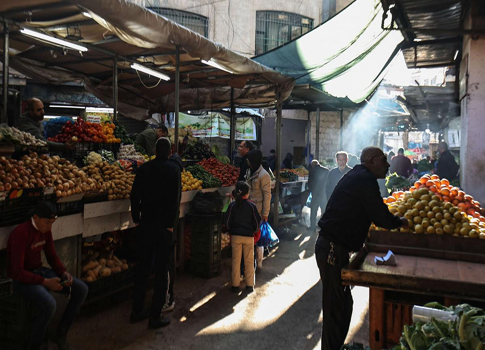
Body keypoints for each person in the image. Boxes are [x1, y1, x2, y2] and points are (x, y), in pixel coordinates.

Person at [315, 147, 407, 350]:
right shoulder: (364, 179)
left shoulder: (359, 176)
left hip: (335, 248)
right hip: (331, 249)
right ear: (372, 160)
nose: (388, 164)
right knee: (335, 310)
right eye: (384, 160)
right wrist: (400, 222)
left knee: (343, 307)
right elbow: (380, 215)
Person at [7, 201, 88, 350]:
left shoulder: (46, 231)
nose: (50, 227)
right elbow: (17, 272)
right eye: (47, 223)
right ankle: (35, 345)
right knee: (50, 304)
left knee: (81, 289)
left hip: (40, 272)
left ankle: (61, 333)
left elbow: (51, 256)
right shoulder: (21, 233)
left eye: (52, 223)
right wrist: (45, 282)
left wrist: (63, 272)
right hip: (22, 279)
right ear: (36, 217)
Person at [130, 137, 181, 329]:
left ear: (154, 151)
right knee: (161, 272)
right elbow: (175, 200)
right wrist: (171, 225)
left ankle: (136, 311)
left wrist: (136, 218)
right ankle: (155, 316)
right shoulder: (173, 170)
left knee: (142, 269)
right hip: (162, 228)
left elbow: (134, 195)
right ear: (169, 151)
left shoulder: (143, 168)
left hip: (145, 225)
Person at [223, 181, 261, 293]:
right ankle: (250, 285)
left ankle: (235, 285)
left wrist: (231, 230)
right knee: (249, 261)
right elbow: (257, 223)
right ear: (247, 194)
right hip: (249, 237)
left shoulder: (232, 206)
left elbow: (227, 221)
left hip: (235, 237)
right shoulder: (252, 206)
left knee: (235, 261)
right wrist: (252, 231)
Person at [246, 149, 271, 269]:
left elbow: (267, 195)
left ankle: (259, 262)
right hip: (249, 209)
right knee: (251, 237)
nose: (247, 161)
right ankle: (251, 262)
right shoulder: (249, 172)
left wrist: (265, 213)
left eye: (249, 159)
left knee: (258, 238)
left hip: (259, 211)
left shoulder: (264, 175)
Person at [308, 160, 329, 230]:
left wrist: (312, 190)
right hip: (323, 193)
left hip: (315, 193)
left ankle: (312, 226)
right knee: (324, 210)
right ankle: (324, 226)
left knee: (314, 210)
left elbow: (309, 183)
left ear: (312, 165)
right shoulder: (326, 170)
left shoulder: (312, 171)